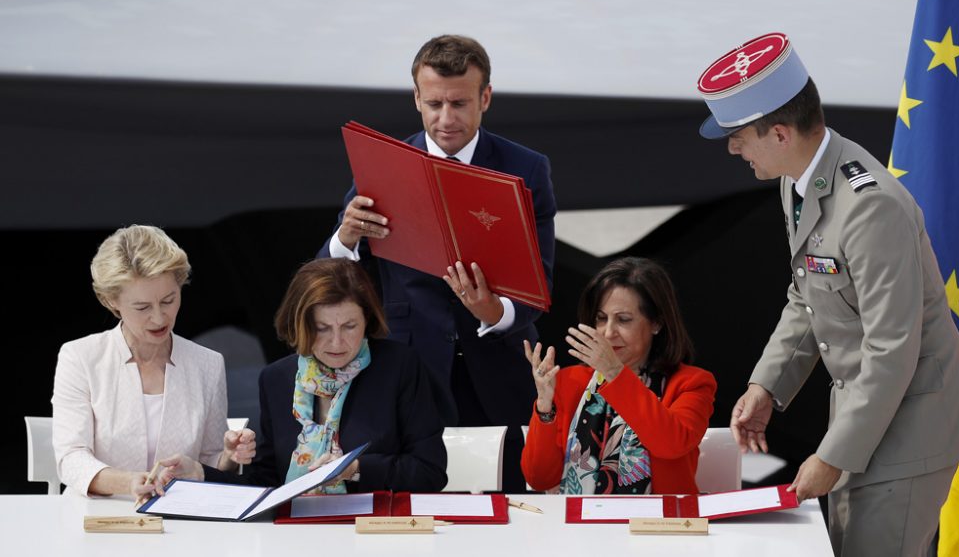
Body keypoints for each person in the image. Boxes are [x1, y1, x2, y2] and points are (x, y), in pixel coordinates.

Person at [697, 32, 959, 556]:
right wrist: (767, 386)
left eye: (737, 136)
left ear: (780, 133)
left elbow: (890, 350)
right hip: (871, 417)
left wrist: (832, 455)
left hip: (910, 427)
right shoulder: (797, 178)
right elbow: (807, 295)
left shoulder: (869, 208)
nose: (733, 148)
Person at [318, 34, 557, 432]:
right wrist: (345, 238)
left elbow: (541, 282)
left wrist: (496, 313)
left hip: (500, 372)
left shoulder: (527, 169)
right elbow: (324, 280)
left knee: (507, 491)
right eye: (434, 104)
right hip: (408, 372)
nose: (446, 119)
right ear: (416, 98)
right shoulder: (382, 165)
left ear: (485, 98)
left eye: (459, 103)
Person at [157, 258, 447, 493]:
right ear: (300, 325)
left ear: (367, 320)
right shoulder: (277, 378)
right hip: (296, 533)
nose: (337, 342)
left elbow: (429, 472)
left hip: (373, 531)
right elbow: (267, 483)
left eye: (349, 326)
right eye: (322, 328)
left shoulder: (398, 366)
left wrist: (354, 469)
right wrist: (198, 472)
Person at [51, 224, 255, 499]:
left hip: (180, 519)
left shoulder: (207, 364)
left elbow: (208, 461)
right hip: (98, 517)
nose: (159, 318)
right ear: (112, 301)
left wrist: (229, 457)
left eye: (169, 300)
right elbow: (71, 458)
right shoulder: (81, 357)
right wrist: (129, 483)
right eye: (142, 307)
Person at [521, 257, 716, 494]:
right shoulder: (568, 380)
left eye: (623, 320)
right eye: (601, 318)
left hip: (662, 527)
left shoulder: (692, 383)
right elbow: (539, 479)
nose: (609, 332)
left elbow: (670, 444)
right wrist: (544, 408)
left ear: (656, 323)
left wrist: (615, 373)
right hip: (579, 526)